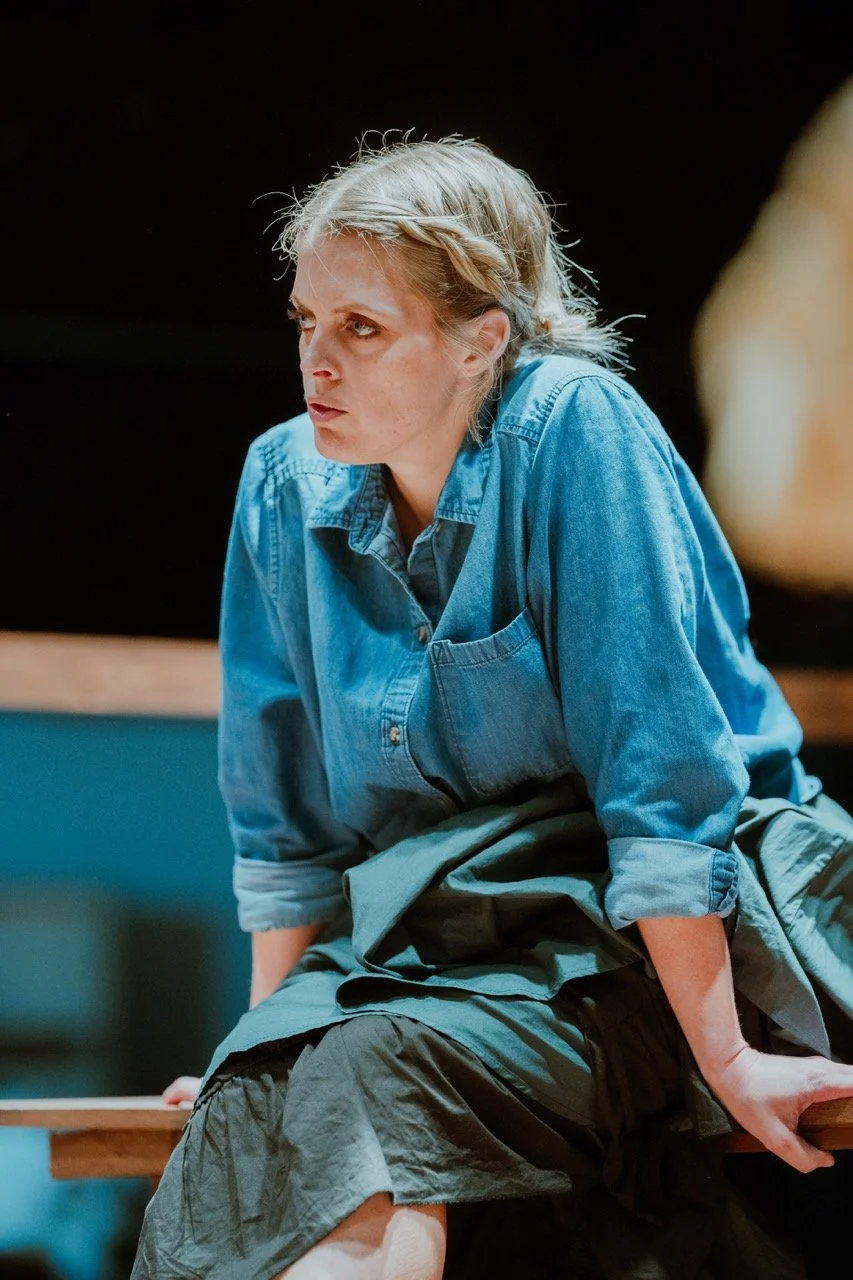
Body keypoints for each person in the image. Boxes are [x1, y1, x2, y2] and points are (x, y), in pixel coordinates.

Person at [131, 134, 853, 1280]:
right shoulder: (282, 478)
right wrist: (253, 1041)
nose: (317, 360)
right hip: (434, 943)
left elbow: (660, 785)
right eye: (304, 322)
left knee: (377, 1064)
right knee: (268, 1099)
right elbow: (285, 822)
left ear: (484, 337)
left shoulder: (572, 427)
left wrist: (727, 1059)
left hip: (653, 939)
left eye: (362, 328)